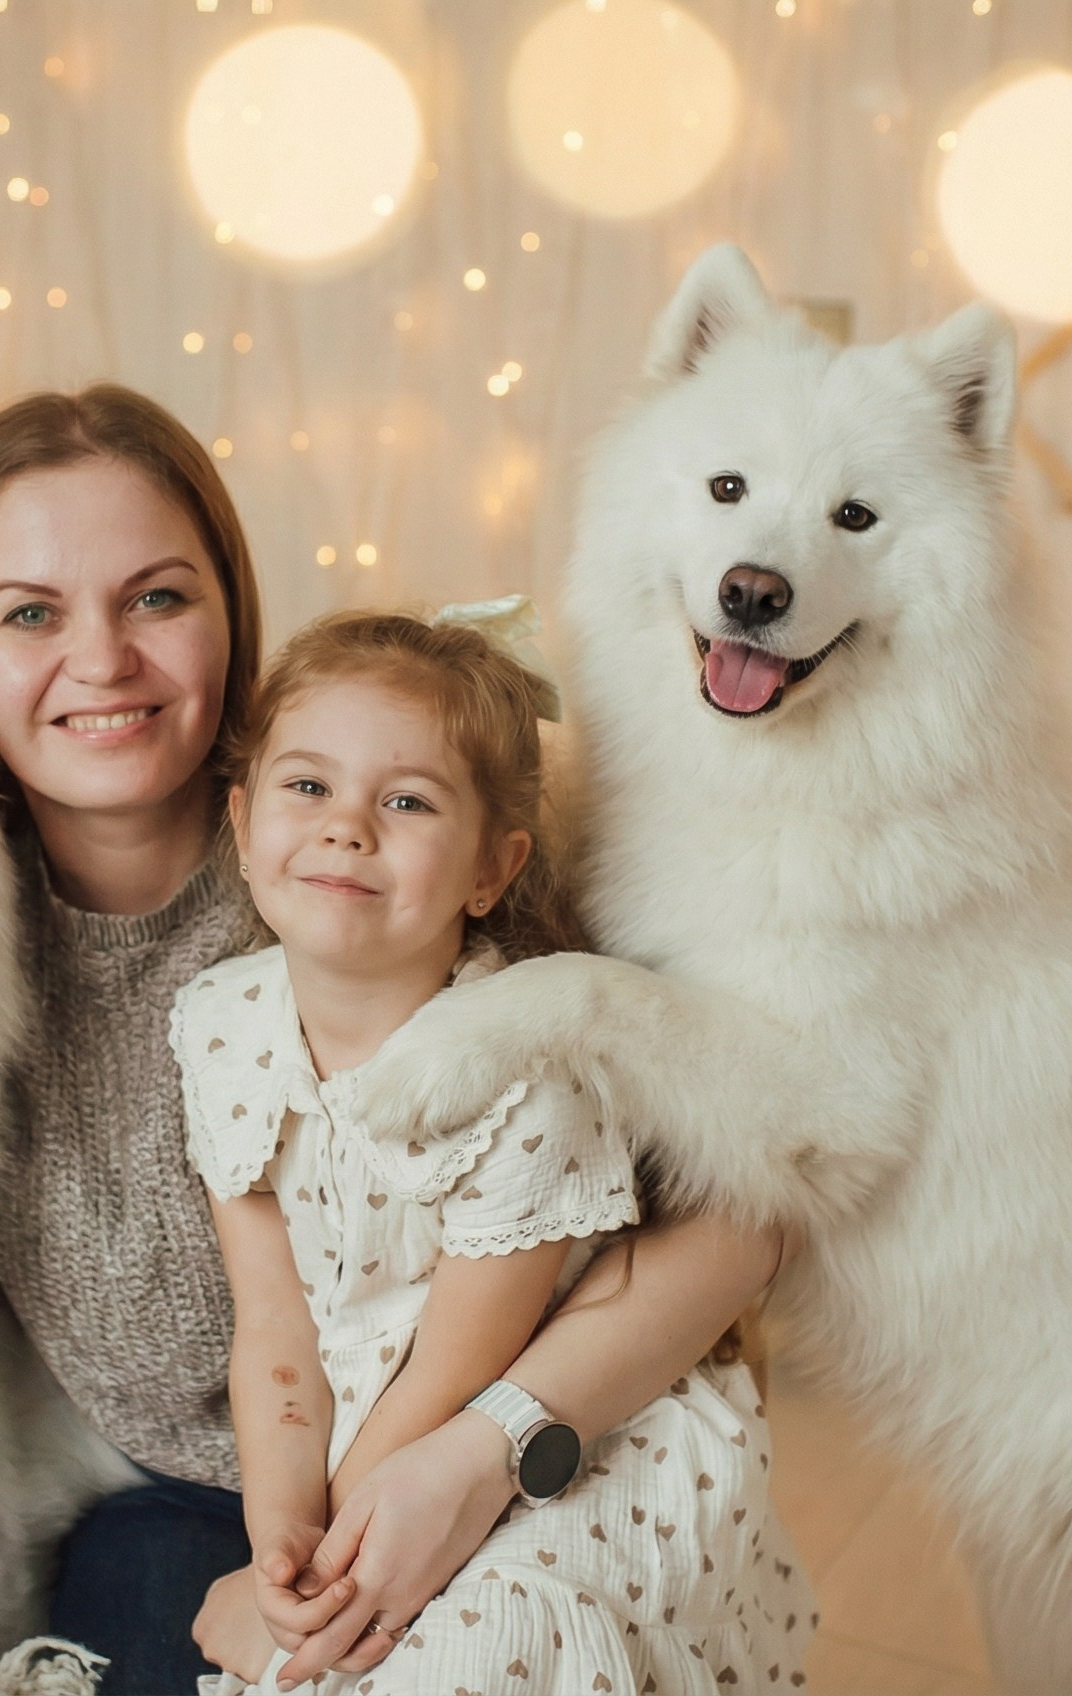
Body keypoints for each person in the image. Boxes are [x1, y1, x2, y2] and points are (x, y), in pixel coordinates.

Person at [0, 386, 801, 1693]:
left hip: (497, 1447)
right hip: (199, 1501)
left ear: (231, 612)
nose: (100, 659)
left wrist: (474, 1461)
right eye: (30, 613)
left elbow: (744, 1218)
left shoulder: (391, 861)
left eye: (157, 598)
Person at [176, 609, 813, 1693]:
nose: (345, 828)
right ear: (241, 825)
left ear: (489, 867)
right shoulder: (217, 1026)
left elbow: (457, 1364)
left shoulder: (522, 1069)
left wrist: (320, 1590)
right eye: (306, 787)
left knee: (461, 1655)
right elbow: (272, 1325)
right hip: (361, 1445)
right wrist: (277, 1537)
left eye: (406, 801)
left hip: (562, 1430)